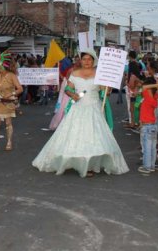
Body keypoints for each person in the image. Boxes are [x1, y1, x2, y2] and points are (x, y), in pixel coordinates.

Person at [32, 49, 129, 178]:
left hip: (94, 109)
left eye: (89, 59)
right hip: (78, 108)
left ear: (93, 61)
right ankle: (80, 163)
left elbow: (104, 92)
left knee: (94, 138)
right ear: (80, 60)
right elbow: (67, 89)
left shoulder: (99, 74)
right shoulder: (74, 73)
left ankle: (91, 164)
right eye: (84, 59)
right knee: (75, 136)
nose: (87, 62)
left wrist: (107, 89)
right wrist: (73, 95)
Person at [0, 51, 23, 152]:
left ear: (4, 65)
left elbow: (20, 89)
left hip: (8, 103)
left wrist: (12, 94)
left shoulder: (12, 75)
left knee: (8, 123)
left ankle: (9, 142)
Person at [138, 78, 158, 174]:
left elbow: (143, 87)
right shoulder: (155, 97)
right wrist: (156, 86)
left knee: (146, 147)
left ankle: (147, 166)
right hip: (153, 125)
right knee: (153, 147)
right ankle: (151, 165)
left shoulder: (147, 95)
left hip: (146, 126)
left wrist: (154, 85)